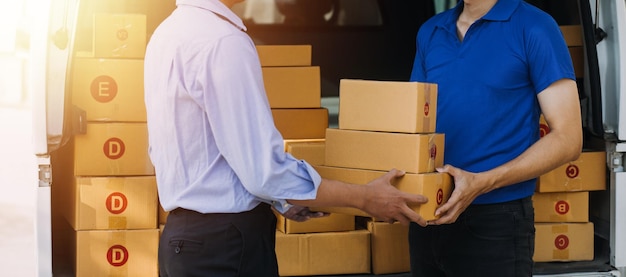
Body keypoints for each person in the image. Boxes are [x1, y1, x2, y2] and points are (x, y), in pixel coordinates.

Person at [143, 0, 429, 276]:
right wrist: (366, 198)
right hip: (225, 247)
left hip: (181, 244)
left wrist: (286, 198)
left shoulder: (166, 33)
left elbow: (206, 152)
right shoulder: (222, 41)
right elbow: (264, 171)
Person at [408, 0, 582, 276]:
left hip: (497, 221)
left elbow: (569, 138)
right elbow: (413, 124)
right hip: (429, 215)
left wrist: (482, 182)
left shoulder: (534, 26)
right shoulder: (431, 31)